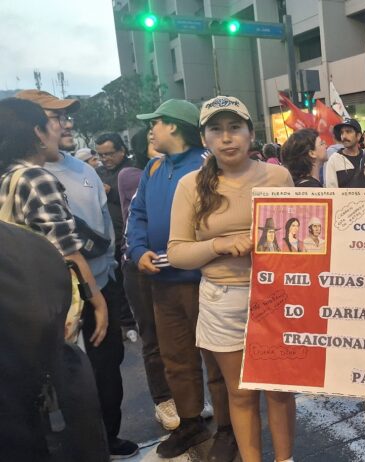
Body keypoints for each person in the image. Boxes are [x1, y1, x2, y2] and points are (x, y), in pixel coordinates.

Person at [167, 95, 295, 462]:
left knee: (280, 391)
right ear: (204, 138)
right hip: (223, 300)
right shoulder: (191, 185)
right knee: (240, 393)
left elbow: (303, 236)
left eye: (235, 127)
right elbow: (177, 252)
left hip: (278, 295)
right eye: (216, 129)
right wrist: (219, 245)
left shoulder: (279, 176)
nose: (226, 137)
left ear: (251, 133)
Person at [16, 89, 138, 459]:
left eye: (66, 117)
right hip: (53, 301)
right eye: (56, 117)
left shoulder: (84, 170)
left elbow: (104, 225)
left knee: (106, 370)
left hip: (101, 283)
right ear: (31, 127)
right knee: (58, 380)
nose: (66, 124)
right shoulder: (25, 176)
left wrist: (109, 277)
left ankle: (107, 437)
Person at [128, 98, 236, 459]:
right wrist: (137, 250)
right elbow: (137, 213)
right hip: (162, 280)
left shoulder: (208, 164)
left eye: (155, 123)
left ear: (173, 125)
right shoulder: (154, 167)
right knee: (175, 358)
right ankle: (191, 422)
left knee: (217, 361)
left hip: (203, 280)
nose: (150, 130)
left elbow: (220, 219)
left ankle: (228, 428)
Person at [0, 97, 109, 364]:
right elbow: (67, 251)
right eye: (52, 123)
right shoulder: (35, 178)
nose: (61, 129)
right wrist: (98, 302)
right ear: (38, 133)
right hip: (48, 304)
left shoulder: (6, 178)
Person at [117, 127, 178, 430]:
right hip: (140, 265)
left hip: (173, 262)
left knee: (179, 336)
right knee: (153, 337)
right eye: (154, 141)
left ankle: (184, 396)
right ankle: (163, 400)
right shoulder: (133, 175)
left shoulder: (175, 170)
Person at [96, 132, 138, 338]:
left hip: (131, 239)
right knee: (115, 286)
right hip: (107, 240)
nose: (105, 159)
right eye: (101, 155)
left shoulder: (133, 169)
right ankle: (125, 323)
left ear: (122, 150)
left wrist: (111, 192)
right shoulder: (96, 173)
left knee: (134, 285)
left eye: (109, 154)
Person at [325, 118, 365, 188]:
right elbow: (331, 191)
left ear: (358, 136)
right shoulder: (334, 160)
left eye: (348, 132)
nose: (344, 136)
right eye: (342, 133)